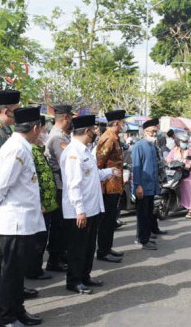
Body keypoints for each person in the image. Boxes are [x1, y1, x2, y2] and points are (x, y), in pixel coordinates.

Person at [0, 107, 45, 327]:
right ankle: (6, 318)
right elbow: (1, 182)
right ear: (35, 128)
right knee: (10, 274)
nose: (41, 133)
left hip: (24, 220)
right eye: (41, 129)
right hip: (14, 222)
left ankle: (18, 311)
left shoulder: (22, 146)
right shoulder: (17, 148)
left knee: (17, 274)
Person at [61, 115, 119, 294]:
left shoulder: (85, 150)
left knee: (88, 246)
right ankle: (74, 281)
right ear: (86, 131)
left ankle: (85, 276)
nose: (96, 132)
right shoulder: (73, 152)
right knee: (77, 248)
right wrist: (79, 210)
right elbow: (73, 184)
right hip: (80, 210)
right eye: (94, 129)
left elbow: (92, 177)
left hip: (92, 208)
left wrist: (109, 172)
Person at [25, 116, 58, 281]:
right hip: (40, 204)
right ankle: (33, 269)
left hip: (48, 203)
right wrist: (39, 203)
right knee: (36, 240)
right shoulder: (29, 150)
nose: (45, 132)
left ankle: (36, 267)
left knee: (42, 238)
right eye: (44, 129)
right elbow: (32, 178)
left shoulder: (39, 148)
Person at [44, 104, 75, 273]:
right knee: (59, 226)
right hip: (59, 186)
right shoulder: (58, 138)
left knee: (62, 225)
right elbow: (67, 163)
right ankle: (54, 261)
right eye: (70, 118)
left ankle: (60, 256)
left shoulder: (62, 136)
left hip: (61, 186)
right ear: (65, 118)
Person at [95, 110, 126, 263]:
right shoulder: (108, 139)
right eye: (122, 122)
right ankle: (102, 251)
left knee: (111, 219)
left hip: (115, 185)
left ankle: (107, 248)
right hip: (108, 186)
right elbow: (99, 163)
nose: (123, 125)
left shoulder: (114, 138)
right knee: (107, 220)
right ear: (115, 123)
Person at [132, 119, 161, 250]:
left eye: (156, 131)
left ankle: (144, 237)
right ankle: (143, 240)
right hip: (142, 187)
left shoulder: (152, 145)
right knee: (142, 215)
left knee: (148, 213)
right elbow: (136, 167)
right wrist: (138, 185)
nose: (155, 133)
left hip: (151, 187)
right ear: (145, 132)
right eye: (152, 131)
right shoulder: (139, 146)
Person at [166, 133, 191, 219]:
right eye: (183, 141)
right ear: (178, 142)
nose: (185, 143)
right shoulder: (174, 150)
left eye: (186, 142)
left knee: (189, 187)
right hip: (176, 173)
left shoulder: (190, 151)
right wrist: (171, 161)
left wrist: (189, 165)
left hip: (187, 173)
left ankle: (190, 210)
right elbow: (168, 158)